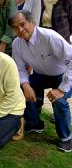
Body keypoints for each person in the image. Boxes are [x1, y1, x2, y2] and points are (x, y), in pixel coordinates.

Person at [10, 10, 72, 152]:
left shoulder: (49, 37)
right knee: (21, 89)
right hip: (41, 74)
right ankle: (34, 123)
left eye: (23, 24)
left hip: (65, 74)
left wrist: (61, 89)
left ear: (32, 22)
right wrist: (25, 85)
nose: (20, 29)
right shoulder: (16, 44)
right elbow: (20, 69)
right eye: (15, 27)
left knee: (59, 101)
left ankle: (66, 138)